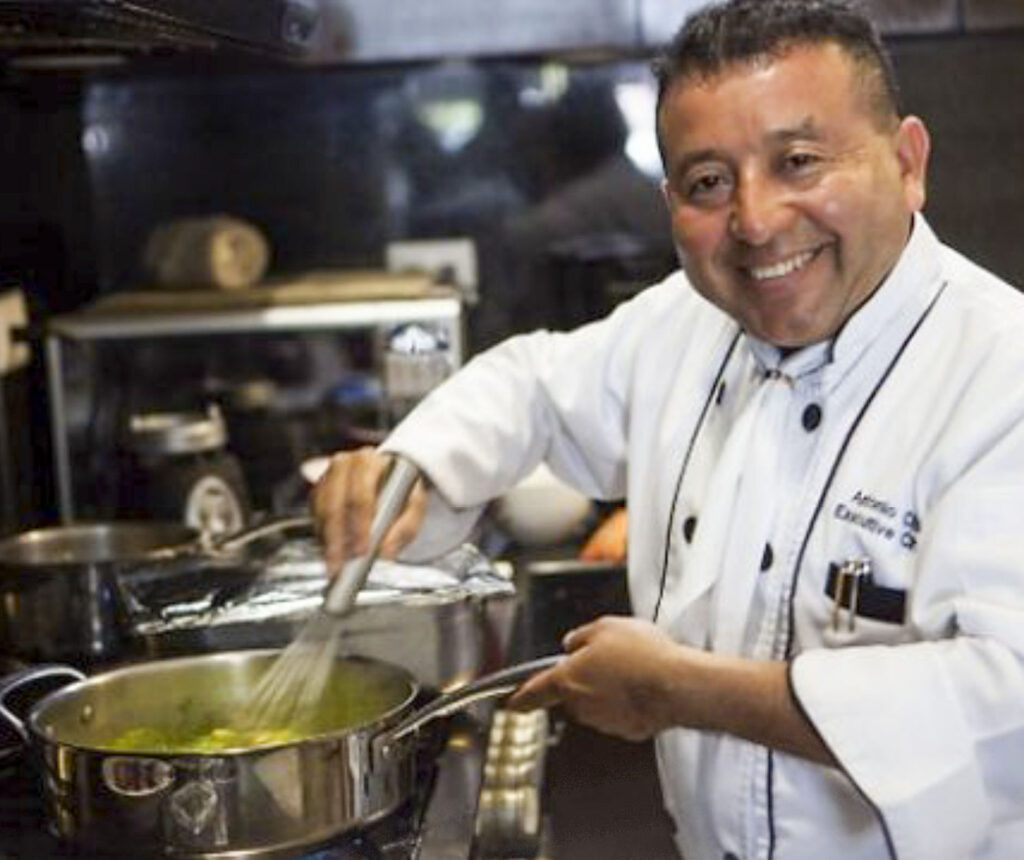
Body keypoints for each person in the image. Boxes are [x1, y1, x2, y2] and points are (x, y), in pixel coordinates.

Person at [312, 1, 1024, 856]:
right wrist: (415, 466)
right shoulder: (687, 322)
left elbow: (1002, 702)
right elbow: (535, 383)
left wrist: (680, 692)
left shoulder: (998, 374)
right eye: (708, 183)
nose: (755, 222)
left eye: (798, 161)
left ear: (907, 163)